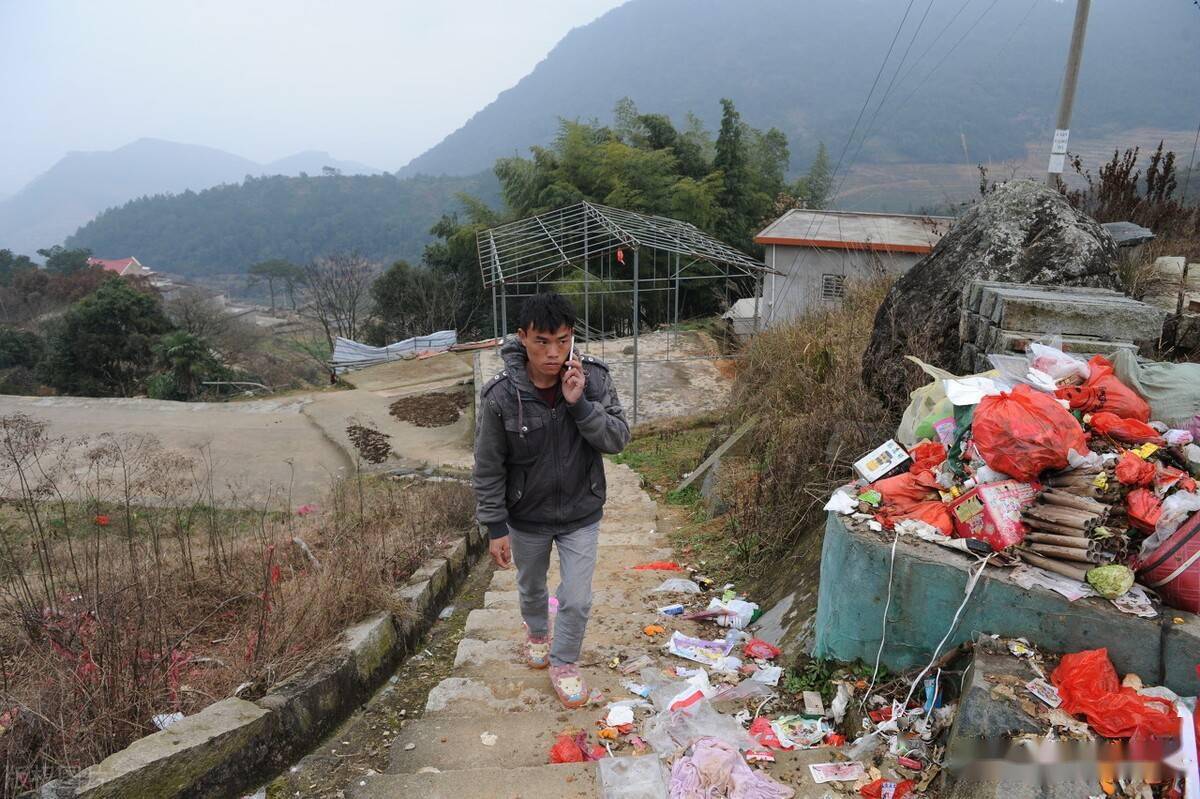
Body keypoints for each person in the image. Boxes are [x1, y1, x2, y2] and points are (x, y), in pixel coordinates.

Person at [473, 292, 630, 708]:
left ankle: (564, 663)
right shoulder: (501, 398)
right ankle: (538, 631)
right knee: (531, 586)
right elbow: (488, 466)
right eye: (542, 341)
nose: (553, 353)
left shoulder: (592, 379)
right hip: (527, 517)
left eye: (562, 341)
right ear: (522, 337)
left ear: (572, 337)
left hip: (581, 512)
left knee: (577, 598)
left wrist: (580, 406)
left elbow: (617, 439)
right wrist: (495, 527)